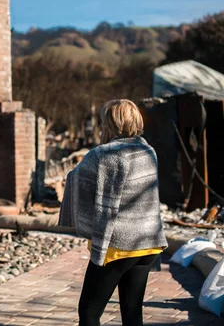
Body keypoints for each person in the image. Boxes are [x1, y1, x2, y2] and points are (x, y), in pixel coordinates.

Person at [59, 99, 168, 326]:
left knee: (89, 312)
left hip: (118, 246)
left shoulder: (102, 155)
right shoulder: (148, 150)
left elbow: (75, 180)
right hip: (148, 242)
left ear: (109, 124)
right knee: (132, 314)